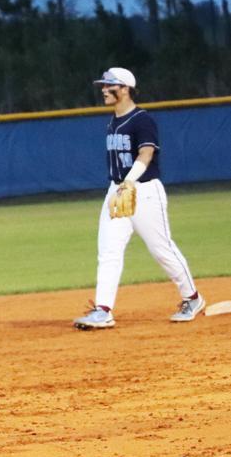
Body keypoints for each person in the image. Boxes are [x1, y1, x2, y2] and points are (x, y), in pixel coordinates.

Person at [73, 67, 205, 330]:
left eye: (108, 85)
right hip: (118, 190)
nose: (103, 90)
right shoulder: (113, 121)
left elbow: (145, 155)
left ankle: (192, 298)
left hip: (143, 192)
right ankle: (103, 310)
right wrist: (120, 186)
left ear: (124, 88)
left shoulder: (142, 120)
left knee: (161, 249)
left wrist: (128, 182)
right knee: (109, 251)